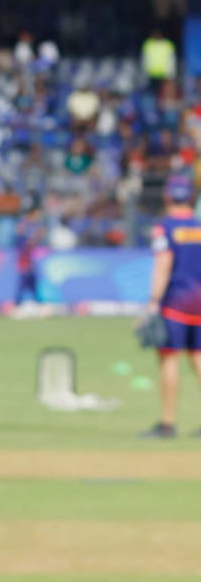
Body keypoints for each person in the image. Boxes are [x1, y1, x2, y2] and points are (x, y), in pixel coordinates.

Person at [141, 176, 201, 438]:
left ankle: (167, 423)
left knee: (169, 358)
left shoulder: (165, 228)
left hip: (176, 302)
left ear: (167, 196)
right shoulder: (199, 226)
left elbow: (163, 264)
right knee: (198, 358)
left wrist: (153, 301)